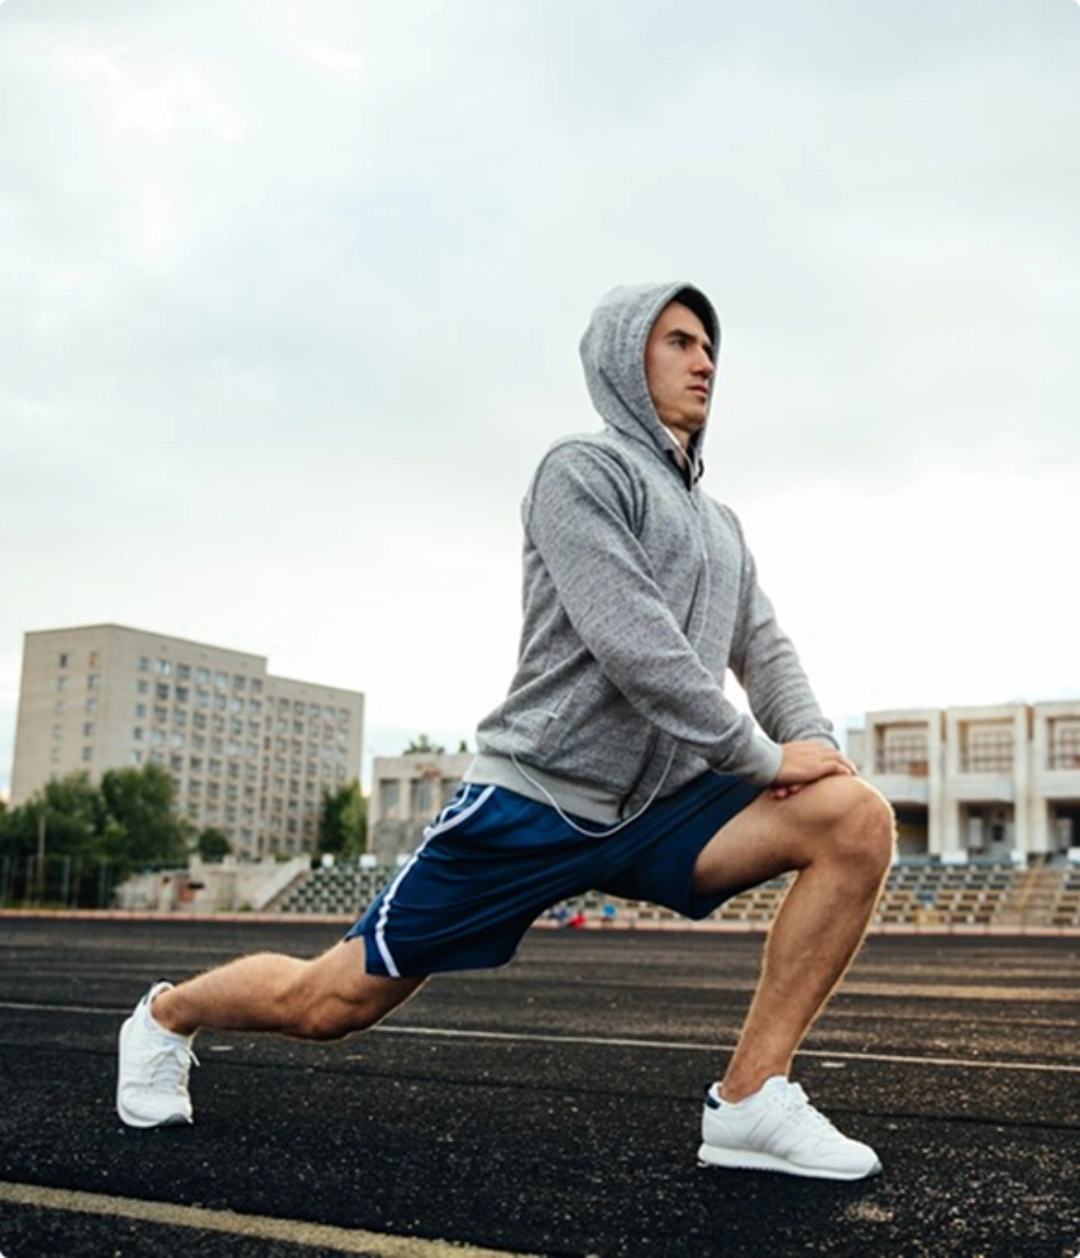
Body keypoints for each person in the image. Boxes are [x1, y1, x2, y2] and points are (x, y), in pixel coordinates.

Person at [117, 281, 895, 1181]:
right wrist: (761, 757)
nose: (705, 361)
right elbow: (632, 642)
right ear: (622, 357)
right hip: (536, 800)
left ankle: (752, 1101)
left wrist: (815, 749)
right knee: (329, 1002)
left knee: (854, 817)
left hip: (661, 808)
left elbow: (763, 647)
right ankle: (167, 1015)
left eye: (710, 346)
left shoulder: (721, 526)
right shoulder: (581, 472)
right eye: (679, 341)